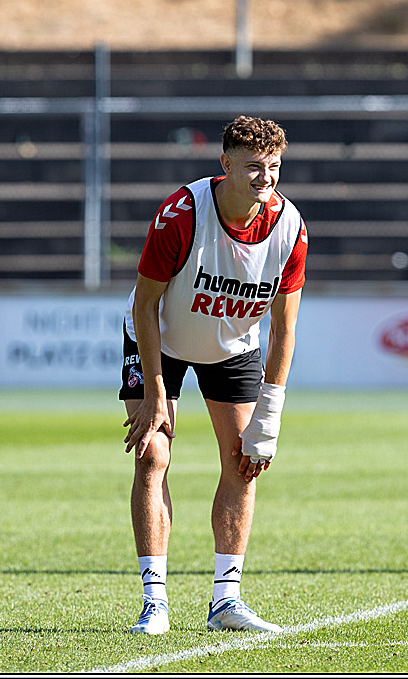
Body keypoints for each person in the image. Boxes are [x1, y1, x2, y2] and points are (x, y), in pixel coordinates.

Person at [119, 115, 308, 634]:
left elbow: (283, 330)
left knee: (243, 461)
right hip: (160, 337)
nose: (264, 178)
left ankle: (226, 600)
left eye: (273, 167)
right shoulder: (181, 216)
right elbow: (144, 305)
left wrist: (270, 415)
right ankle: (154, 601)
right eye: (252, 167)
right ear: (225, 165)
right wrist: (156, 390)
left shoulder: (290, 229)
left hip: (234, 345)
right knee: (154, 451)